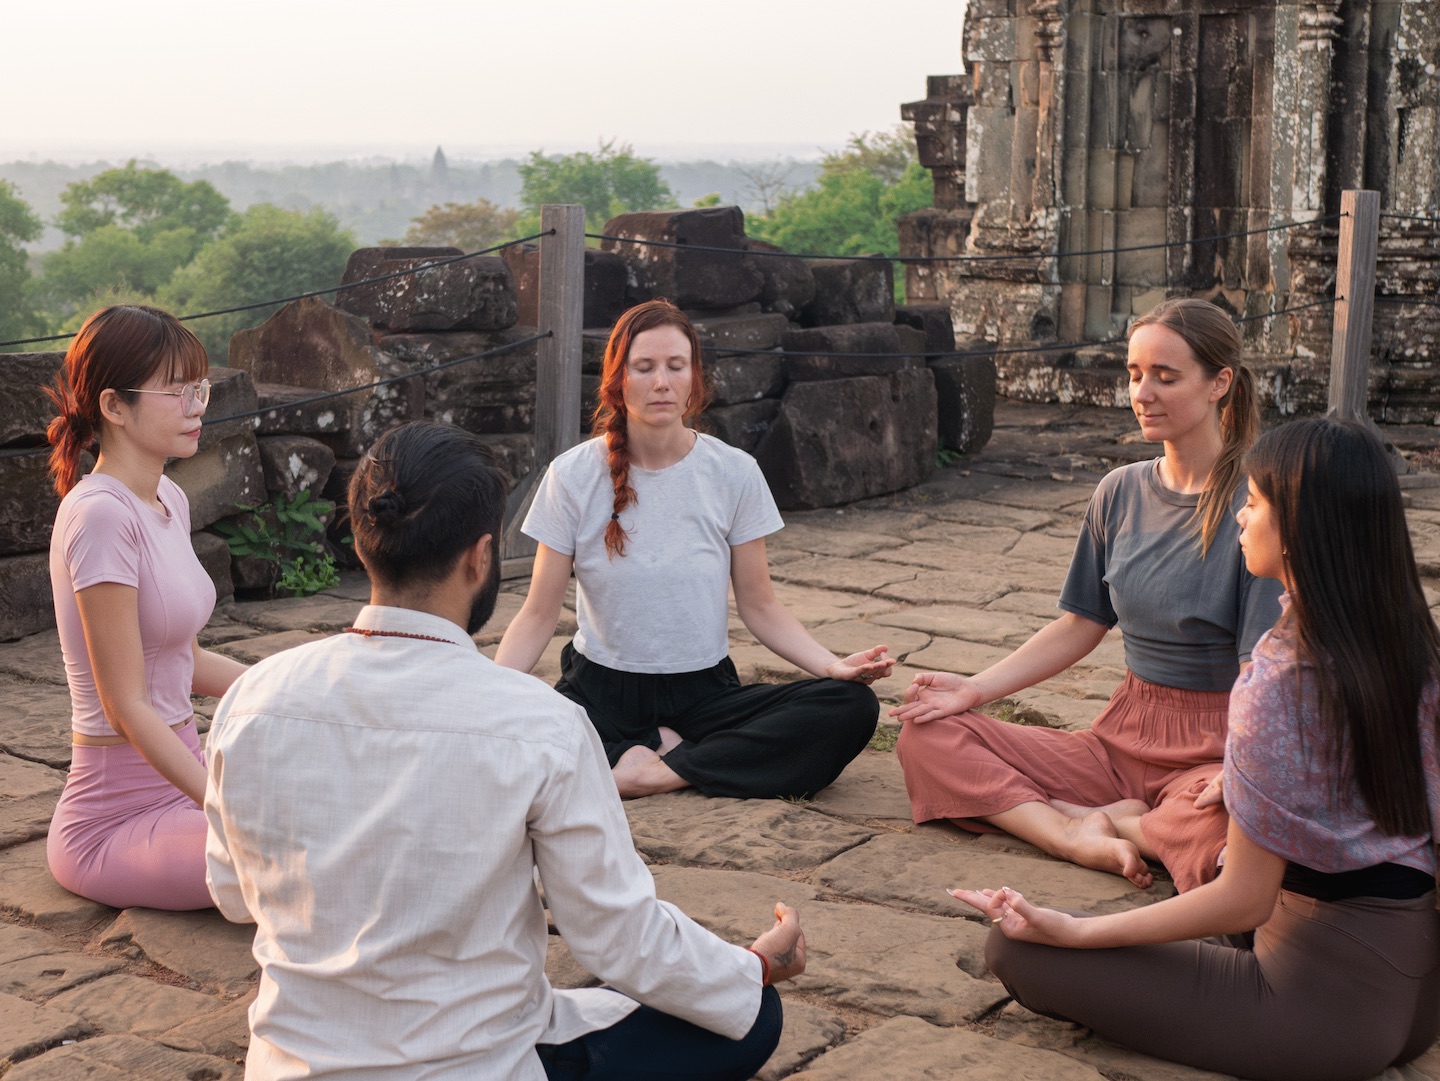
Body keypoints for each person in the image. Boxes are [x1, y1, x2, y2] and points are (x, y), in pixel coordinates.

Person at [205, 421, 807, 1081]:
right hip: (480, 1064)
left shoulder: (254, 697)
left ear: (360, 542)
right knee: (751, 1010)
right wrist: (753, 965)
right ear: (480, 557)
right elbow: (616, 935)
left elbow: (232, 895)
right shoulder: (541, 723)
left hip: (293, 1064)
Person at [952, 417, 1440, 1081]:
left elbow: (1244, 901)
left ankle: (1119, 830)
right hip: (1413, 989)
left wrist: (1073, 928)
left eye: (1256, 502)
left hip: (1321, 1008)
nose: (1240, 513)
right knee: (1213, 842)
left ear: (1301, 526)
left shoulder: (1280, 677)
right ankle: (1126, 822)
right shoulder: (1410, 641)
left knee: (1016, 950)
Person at [893, 297, 1283, 890]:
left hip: (1213, 744)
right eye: (1134, 375)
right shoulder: (1119, 490)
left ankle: (1124, 827)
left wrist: (1243, 768)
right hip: (1119, 737)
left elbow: (1262, 669)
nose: (1142, 393)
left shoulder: (1255, 507)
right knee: (930, 735)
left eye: (1165, 377)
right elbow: (1080, 623)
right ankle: (1073, 832)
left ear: (1219, 383)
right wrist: (972, 690)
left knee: (1223, 836)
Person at [495, 298, 889, 800]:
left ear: (694, 378)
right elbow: (537, 613)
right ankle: (692, 757)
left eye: (675, 367)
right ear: (618, 379)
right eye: (644, 367)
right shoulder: (572, 475)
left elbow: (760, 606)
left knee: (851, 706)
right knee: (520, 734)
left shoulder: (734, 472)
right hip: (601, 691)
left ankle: (651, 771)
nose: (662, 381)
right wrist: (493, 691)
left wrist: (831, 666)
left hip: (705, 694)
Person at [44, 304, 247, 911]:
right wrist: (222, 805)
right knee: (294, 855)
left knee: (345, 801)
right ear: (114, 406)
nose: (197, 406)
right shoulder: (100, 514)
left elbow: (181, 657)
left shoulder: (167, 497)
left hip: (188, 767)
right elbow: (125, 703)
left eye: (200, 388)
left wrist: (297, 682)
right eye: (177, 391)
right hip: (118, 817)